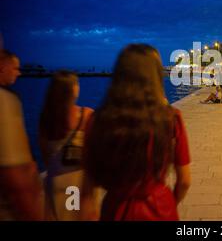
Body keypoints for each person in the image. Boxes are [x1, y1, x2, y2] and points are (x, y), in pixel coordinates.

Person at [83, 44, 191, 221]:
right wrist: (171, 201)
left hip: (115, 209)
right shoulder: (172, 118)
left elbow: (87, 192)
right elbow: (185, 181)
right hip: (160, 207)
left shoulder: (98, 120)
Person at [39, 71, 97, 220]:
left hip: (54, 182)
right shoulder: (86, 115)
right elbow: (95, 154)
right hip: (76, 184)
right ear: (73, 89)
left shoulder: (46, 119)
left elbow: (45, 156)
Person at [0, 49, 44, 220]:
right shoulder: (6, 100)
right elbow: (14, 172)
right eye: (15, 68)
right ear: (2, 67)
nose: (19, 73)